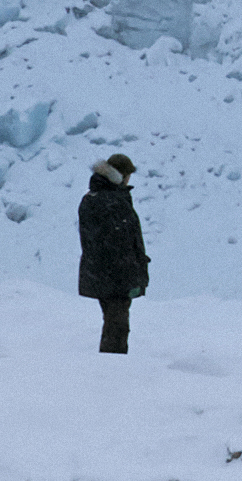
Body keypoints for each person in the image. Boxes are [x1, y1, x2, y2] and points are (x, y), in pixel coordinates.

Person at [77, 152, 149, 355]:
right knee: (117, 326)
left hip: (103, 274)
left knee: (114, 323)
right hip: (116, 276)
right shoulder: (113, 201)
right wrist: (132, 269)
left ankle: (111, 365)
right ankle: (112, 369)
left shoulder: (94, 198)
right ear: (122, 175)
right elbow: (122, 242)